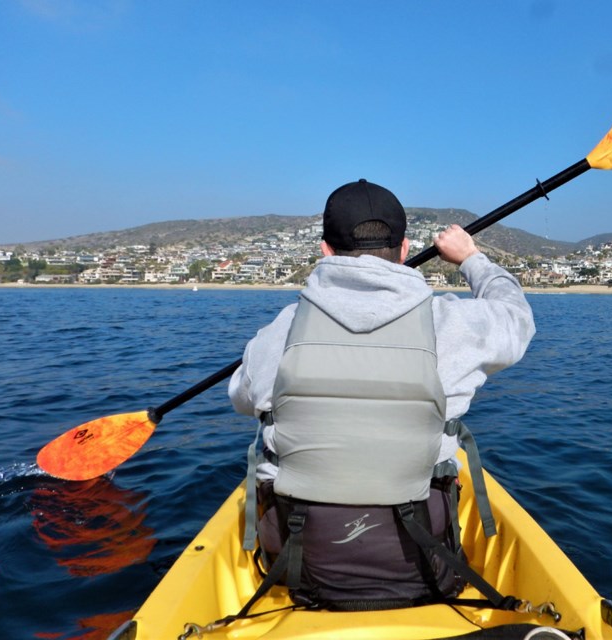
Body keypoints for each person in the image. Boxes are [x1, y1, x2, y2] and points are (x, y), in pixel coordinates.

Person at [228, 178, 535, 610]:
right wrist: (471, 259)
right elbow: (517, 319)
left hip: (301, 568)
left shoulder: (278, 333)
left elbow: (241, 399)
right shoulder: (452, 324)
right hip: (426, 565)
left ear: (325, 250)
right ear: (406, 250)